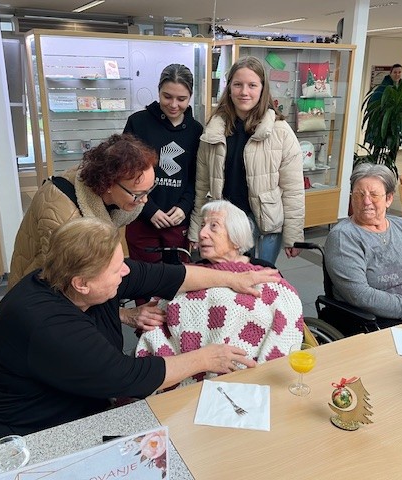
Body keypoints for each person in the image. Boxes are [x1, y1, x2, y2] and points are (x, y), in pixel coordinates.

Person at [0, 216, 279, 453]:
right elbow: (128, 377)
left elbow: (166, 275)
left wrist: (233, 279)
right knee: (165, 452)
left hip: (68, 407)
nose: (126, 270)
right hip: (12, 436)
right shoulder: (48, 324)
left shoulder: (79, 278)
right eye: (117, 268)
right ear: (82, 283)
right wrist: (207, 357)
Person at [136, 200, 304, 386]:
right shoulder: (191, 273)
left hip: (250, 376)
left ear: (236, 236)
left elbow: (286, 318)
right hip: (187, 372)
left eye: (213, 226)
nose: (202, 233)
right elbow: (160, 311)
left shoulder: (264, 273)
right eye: (202, 225)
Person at [8, 133, 164, 329]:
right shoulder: (63, 215)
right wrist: (124, 314)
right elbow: (69, 290)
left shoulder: (99, 189)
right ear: (109, 184)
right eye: (138, 194)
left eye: (149, 191)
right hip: (38, 302)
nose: (145, 201)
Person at [188, 56, 305, 265]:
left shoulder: (280, 131)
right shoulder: (214, 130)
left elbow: (293, 190)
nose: (244, 92)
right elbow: (202, 185)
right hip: (225, 223)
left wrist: (294, 236)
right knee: (227, 277)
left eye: (252, 85)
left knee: (260, 277)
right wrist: (196, 227)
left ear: (262, 89)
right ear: (229, 88)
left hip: (265, 226)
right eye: (238, 85)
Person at [324, 164, 402, 335]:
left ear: (389, 198)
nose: (366, 201)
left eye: (374, 195)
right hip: (383, 323)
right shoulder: (343, 236)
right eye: (359, 194)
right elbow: (360, 295)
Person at [123, 63, 203, 265]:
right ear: (158, 91)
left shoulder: (196, 130)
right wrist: (149, 209)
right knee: (146, 279)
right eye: (167, 96)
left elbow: (196, 178)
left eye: (181, 99)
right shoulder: (137, 123)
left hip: (178, 222)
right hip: (141, 218)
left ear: (190, 97)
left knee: (178, 278)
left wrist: (184, 207)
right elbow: (124, 174)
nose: (173, 104)